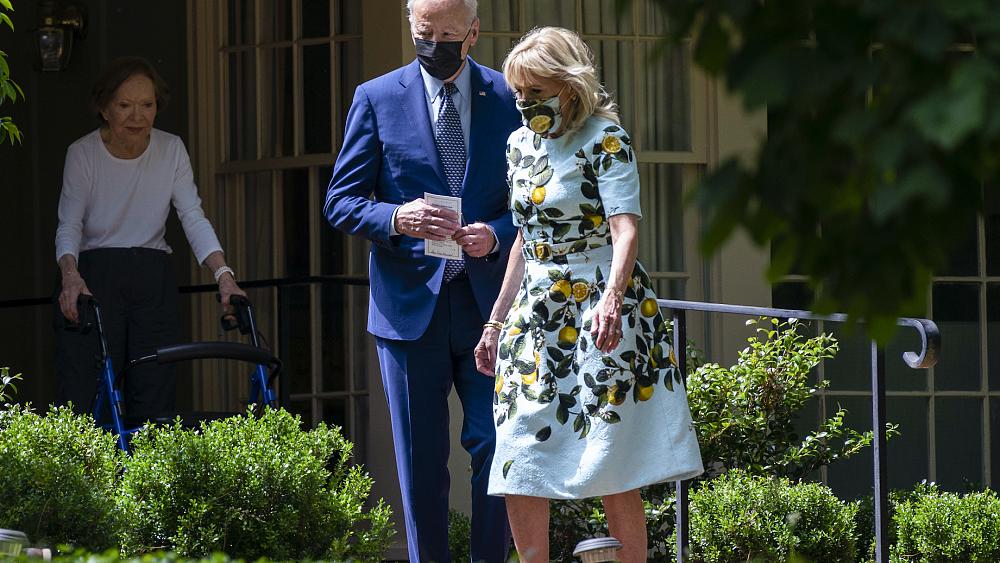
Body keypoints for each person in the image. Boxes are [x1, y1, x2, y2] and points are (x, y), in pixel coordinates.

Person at [474, 27, 705, 563]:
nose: (527, 103)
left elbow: (626, 229)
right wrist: (494, 323)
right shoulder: (518, 146)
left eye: (537, 91)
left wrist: (611, 298)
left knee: (610, 455)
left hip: (602, 307)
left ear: (569, 87)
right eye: (520, 94)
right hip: (537, 314)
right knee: (517, 449)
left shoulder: (605, 138)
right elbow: (525, 243)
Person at [323, 0, 520, 560]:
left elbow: (534, 200)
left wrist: (498, 234)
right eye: (423, 32)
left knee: (497, 446)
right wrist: (395, 218)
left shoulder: (509, 97)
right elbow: (341, 201)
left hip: (491, 308)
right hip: (410, 308)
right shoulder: (377, 98)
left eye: (447, 33)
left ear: (474, 33)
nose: (434, 42)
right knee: (420, 460)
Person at [55, 56, 245, 422]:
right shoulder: (82, 153)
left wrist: (224, 275)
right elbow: (69, 224)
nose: (136, 116)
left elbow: (192, 215)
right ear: (104, 108)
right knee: (87, 389)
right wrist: (70, 274)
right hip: (95, 276)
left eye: (147, 105)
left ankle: (148, 478)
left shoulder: (171, 148)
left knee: (154, 389)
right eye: (124, 106)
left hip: (152, 275)